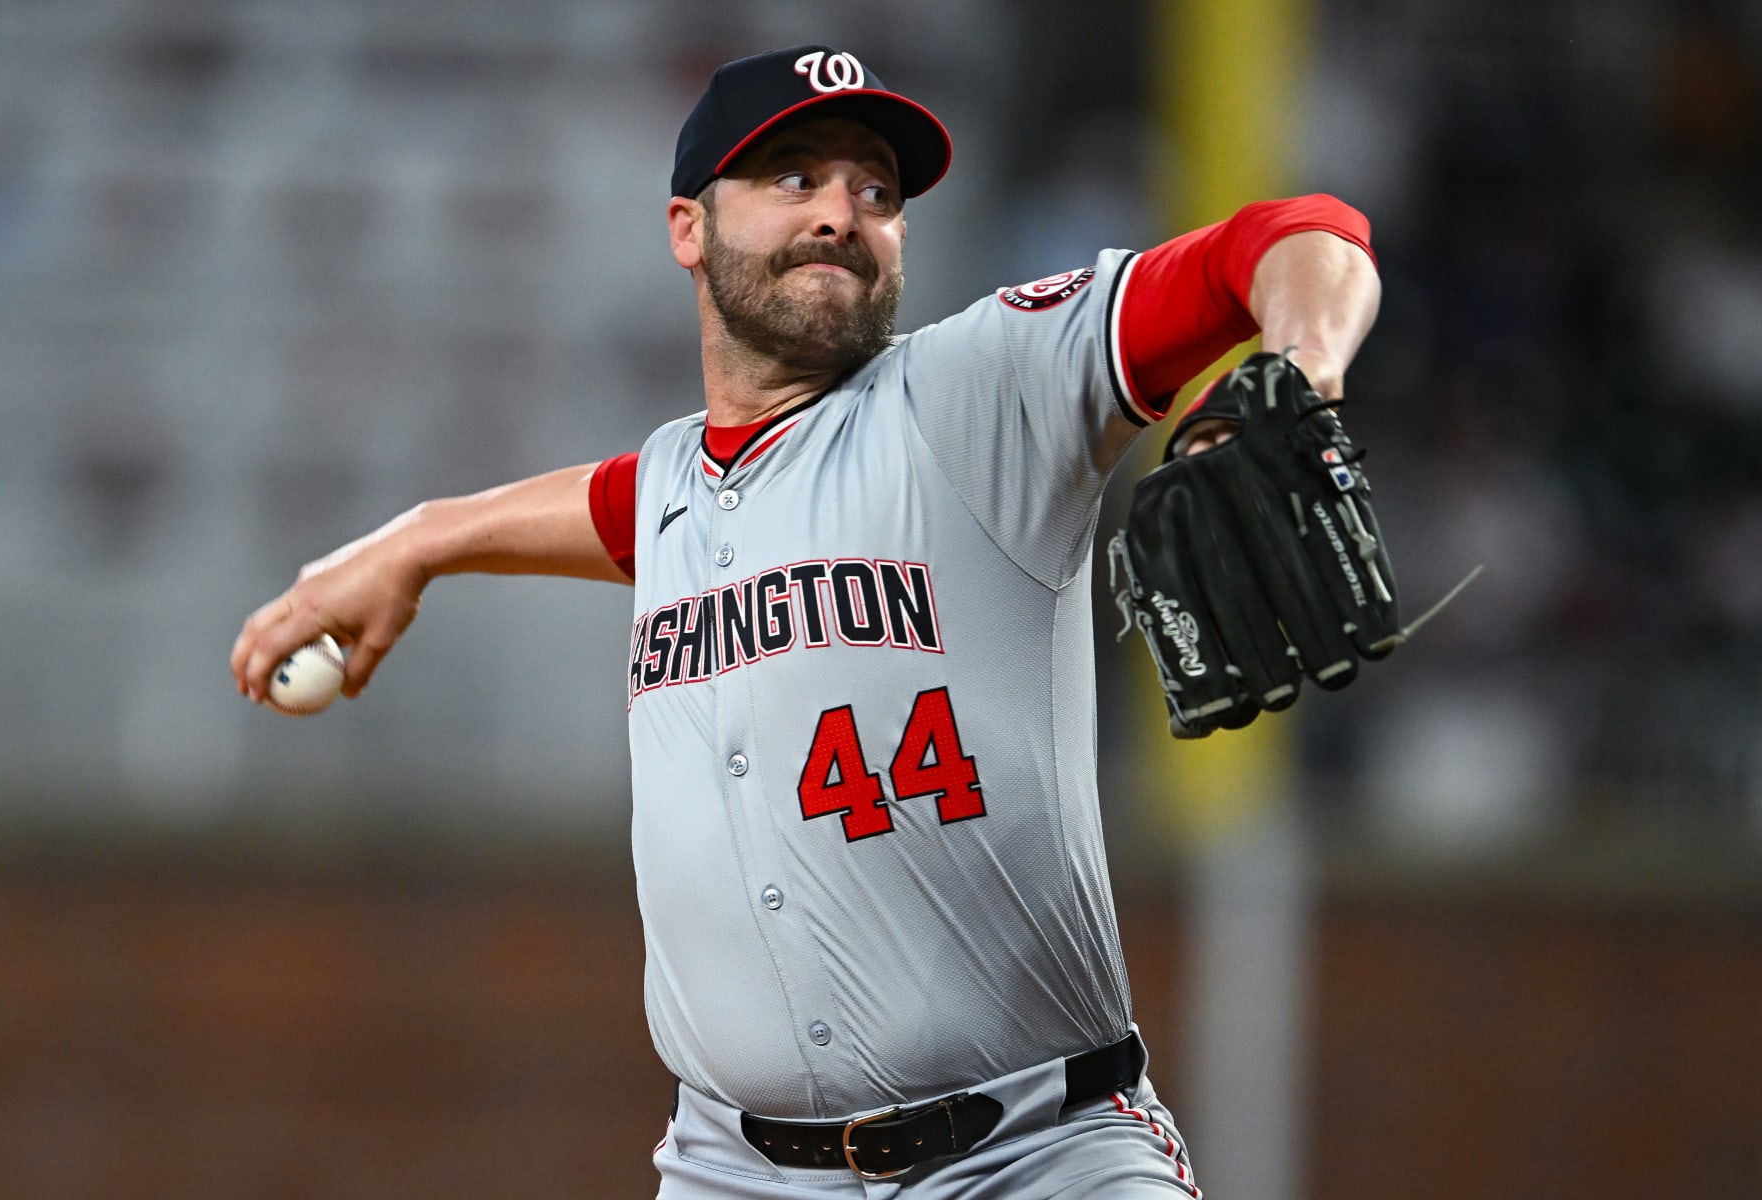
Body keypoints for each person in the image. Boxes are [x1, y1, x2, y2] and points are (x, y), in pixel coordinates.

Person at [232, 45, 1380, 1199]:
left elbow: (1299, 232)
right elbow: (617, 505)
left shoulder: (979, 392)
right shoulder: (681, 482)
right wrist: (419, 539)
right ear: (689, 227)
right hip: (734, 1173)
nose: (841, 213)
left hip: (1037, 1157)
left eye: (875, 193)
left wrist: (1304, 366)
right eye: (793, 178)